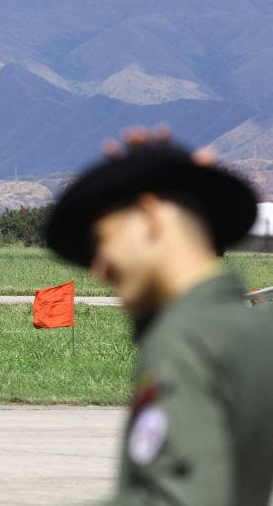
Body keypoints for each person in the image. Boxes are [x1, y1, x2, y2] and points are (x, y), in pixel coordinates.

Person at [46, 129, 273, 505]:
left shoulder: (183, 341)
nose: (99, 269)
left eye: (103, 240)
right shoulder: (247, 330)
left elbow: (176, 497)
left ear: (151, 217)